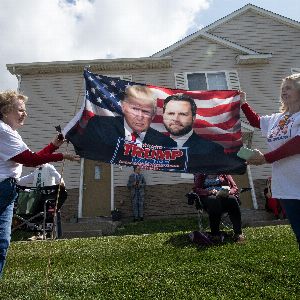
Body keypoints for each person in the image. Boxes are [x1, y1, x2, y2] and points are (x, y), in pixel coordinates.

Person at [0, 90, 79, 278]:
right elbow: (30, 160)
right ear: (4, 111)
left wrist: (54, 146)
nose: (25, 114)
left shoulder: (9, 133)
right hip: (2, 189)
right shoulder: (3, 131)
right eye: (20, 110)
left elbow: (33, 158)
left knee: (2, 243)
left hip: (8, 191)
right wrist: (62, 155)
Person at [240, 73, 300, 249]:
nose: (284, 91)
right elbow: (256, 121)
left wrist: (265, 158)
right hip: (287, 187)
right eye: (282, 88)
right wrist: (243, 102)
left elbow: (297, 144)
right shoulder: (277, 118)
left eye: (288, 87)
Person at [67, 84, 176, 162]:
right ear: (123, 107)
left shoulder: (166, 143)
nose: (139, 116)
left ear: (153, 115)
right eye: (134, 109)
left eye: (145, 111)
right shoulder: (98, 126)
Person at [162, 94, 246, 174]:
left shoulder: (212, 149)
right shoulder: (156, 145)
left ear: (193, 118)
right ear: (163, 116)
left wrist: (249, 157)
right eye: (171, 113)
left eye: (183, 114)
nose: (176, 119)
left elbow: (237, 166)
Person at [18, 163, 66, 239]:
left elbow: (57, 175)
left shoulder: (49, 167)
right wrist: (16, 181)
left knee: (44, 212)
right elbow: (26, 179)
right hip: (37, 196)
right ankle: (37, 232)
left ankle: (44, 233)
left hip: (47, 196)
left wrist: (61, 181)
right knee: (33, 212)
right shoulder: (36, 170)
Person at [193, 173, 244, 242]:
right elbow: (196, 189)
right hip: (208, 197)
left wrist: (228, 192)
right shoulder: (201, 174)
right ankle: (215, 234)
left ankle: (238, 233)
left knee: (233, 200)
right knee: (214, 200)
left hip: (223, 195)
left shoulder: (225, 173)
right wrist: (209, 192)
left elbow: (234, 188)